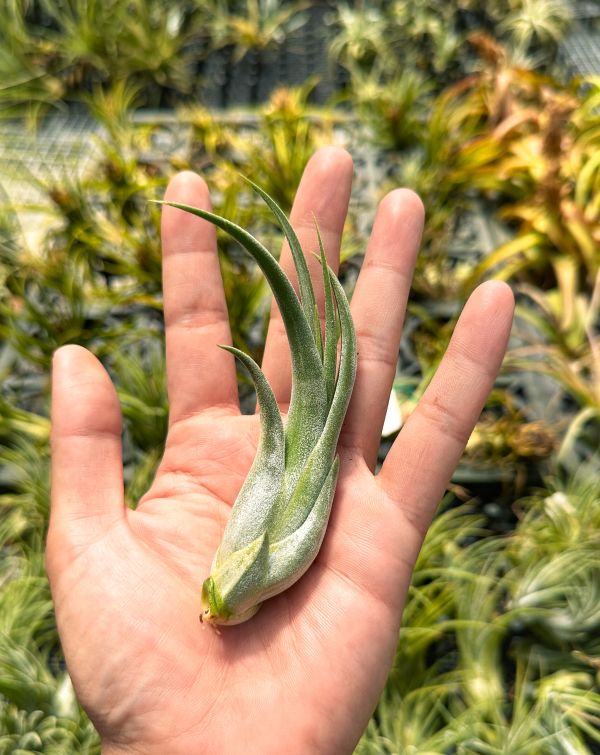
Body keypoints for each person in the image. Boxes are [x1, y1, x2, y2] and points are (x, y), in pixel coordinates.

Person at [46, 147, 514, 754]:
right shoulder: (234, 595)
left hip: (248, 572)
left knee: (317, 405)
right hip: (246, 575)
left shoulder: (244, 584)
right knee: (315, 402)